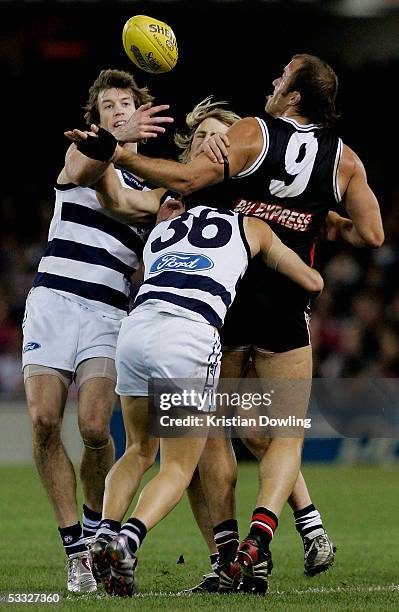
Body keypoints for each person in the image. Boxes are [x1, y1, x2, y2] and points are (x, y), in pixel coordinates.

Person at [69, 53, 384, 594]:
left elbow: (175, 182)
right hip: (275, 309)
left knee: (204, 438)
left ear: (293, 97)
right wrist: (315, 220)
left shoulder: (243, 142)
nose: (271, 79)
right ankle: (269, 537)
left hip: (210, 315)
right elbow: (370, 235)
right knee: (277, 433)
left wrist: (115, 152)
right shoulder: (343, 160)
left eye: (280, 76)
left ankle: (217, 553)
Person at [93, 193, 323, 597]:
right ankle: (128, 539)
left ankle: (104, 531)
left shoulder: (165, 224)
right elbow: (311, 280)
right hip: (189, 336)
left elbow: (150, 271)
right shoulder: (252, 226)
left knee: (138, 450)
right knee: (178, 469)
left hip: (135, 330)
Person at [22, 68, 173, 593]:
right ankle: (74, 549)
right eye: (107, 106)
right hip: (54, 304)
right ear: (97, 118)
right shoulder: (80, 154)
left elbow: (144, 206)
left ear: (141, 112)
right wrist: (113, 142)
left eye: (125, 103)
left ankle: (92, 530)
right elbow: (87, 170)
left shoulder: (154, 186)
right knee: (43, 420)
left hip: (108, 312)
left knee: (92, 428)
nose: (116, 110)